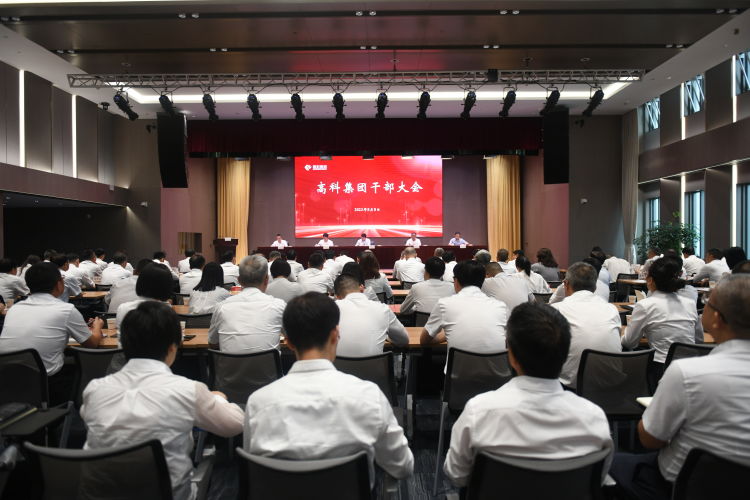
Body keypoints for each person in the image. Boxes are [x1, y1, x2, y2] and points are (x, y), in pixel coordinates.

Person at [243, 292, 414, 486]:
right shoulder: (368, 396)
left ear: (288, 342)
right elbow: (402, 466)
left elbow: (253, 469)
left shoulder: (258, 402)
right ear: (335, 335)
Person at [82, 301, 243, 500]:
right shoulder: (187, 390)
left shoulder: (95, 390)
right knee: (209, 459)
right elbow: (235, 425)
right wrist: (218, 399)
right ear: (172, 347)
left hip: (100, 494)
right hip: (170, 495)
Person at [610, 275, 750, 500]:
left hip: (679, 486)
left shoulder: (687, 373)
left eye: (707, 304)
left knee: (612, 461)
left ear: (717, 319)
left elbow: (650, 438)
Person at [443, 302, 613, 487]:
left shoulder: (479, 412)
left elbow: (457, 474)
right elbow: (599, 480)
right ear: (565, 356)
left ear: (512, 356)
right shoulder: (595, 418)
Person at [0, 262, 103, 404]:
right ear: (59, 283)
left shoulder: (13, 309)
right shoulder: (66, 309)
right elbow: (91, 344)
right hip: (47, 384)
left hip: (8, 381)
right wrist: (97, 326)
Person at [621, 257, 703, 382]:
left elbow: (630, 342)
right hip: (691, 368)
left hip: (662, 369)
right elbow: (699, 340)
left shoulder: (645, 305)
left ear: (651, 280)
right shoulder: (689, 303)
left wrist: (622, 333)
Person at [549, 262, 622, 388]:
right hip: (612, 388)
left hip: (571, 388)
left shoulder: (556, 310)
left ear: (565, 284)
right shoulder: (611, 309)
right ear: (595, 287)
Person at [421, 260, 507, 356]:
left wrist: (445, 335)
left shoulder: (444, 304)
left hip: (459, 371)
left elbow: (424, 340)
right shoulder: (500, 306)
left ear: (456, 281)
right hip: (499, 370)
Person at [209, 255, 285, 353]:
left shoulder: (221, 307)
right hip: (268, 368)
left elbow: (212, 342)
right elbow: (293, 337)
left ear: (239, 280)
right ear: (266, 280)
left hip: (230, 368)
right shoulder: (279, 306)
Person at [334, 274, 409, 356]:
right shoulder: (383, 309)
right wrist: (386, 337)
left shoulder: (329, 309)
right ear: (362, 288)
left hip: (336, 368)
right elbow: (403, 340)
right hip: (375, 368)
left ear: (337, 297)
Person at [116, 264, 175, 329]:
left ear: (140, 282)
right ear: (168, 287)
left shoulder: (123, 308)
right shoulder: (167, 311)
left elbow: (120, 337)